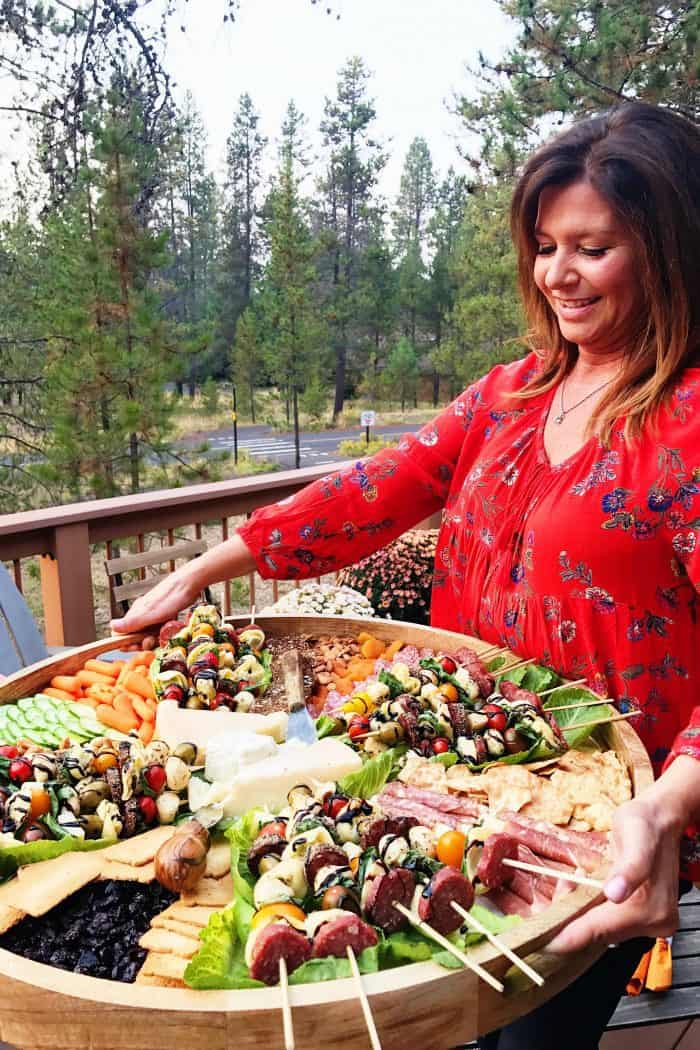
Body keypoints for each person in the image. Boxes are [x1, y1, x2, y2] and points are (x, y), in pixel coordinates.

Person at [113, 102, 700, 1048]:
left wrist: (671, 802)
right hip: (444, 777)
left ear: (671, 253)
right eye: (546, 245)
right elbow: (370, 492)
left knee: (530, 1036)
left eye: (593, 248)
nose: (557, 274)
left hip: (601, 813)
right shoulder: (514, 393)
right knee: (440, 1013)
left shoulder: (689, 424)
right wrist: (210, 566)